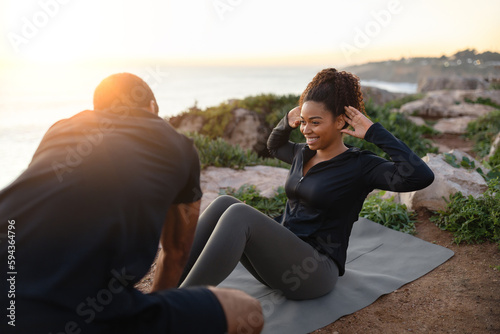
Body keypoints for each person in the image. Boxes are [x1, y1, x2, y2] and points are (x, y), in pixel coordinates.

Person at [0, 73, 263, 334]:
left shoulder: (60, 128)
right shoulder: (180, 147)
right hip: (66, 310)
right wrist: (155, 309)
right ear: (151, 107)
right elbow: (176, 253)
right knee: (247, 310)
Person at [177, 68, 434, 300]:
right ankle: (167, 292)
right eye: (304, 121)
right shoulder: (303, 153)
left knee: (238, 214)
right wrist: (287, 122)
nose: (306, 130)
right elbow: (274, 146)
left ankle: (176, 308)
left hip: (313, 272)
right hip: (278, 262)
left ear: (341, 122)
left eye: (315, 122)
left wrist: (374, 133)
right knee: (224, 203)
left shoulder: (361, 165)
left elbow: (420, 176)